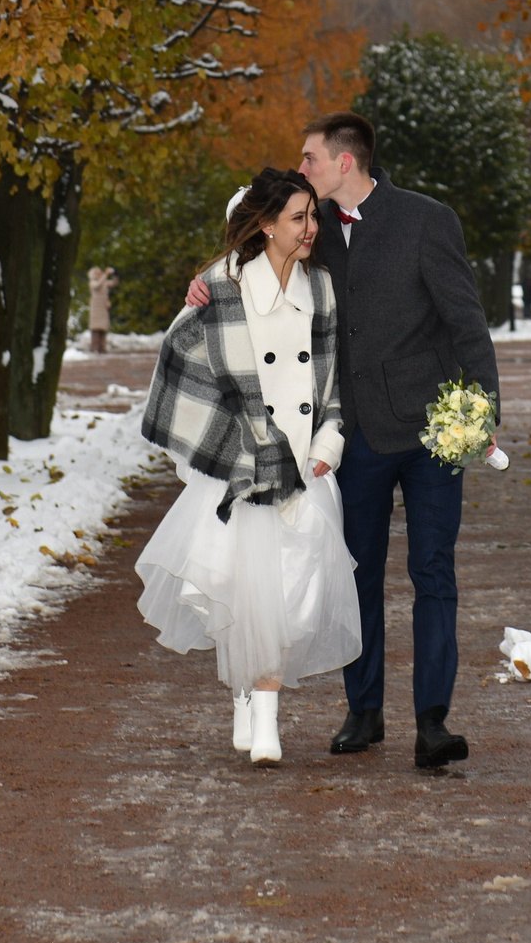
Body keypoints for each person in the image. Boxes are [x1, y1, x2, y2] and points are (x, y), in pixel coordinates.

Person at [195, 111, 500, 769]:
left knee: (433, 571)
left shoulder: (427, 219)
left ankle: (432, 720)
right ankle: (363, 709)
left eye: (309, 158)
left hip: (430, 433)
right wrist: (207, 279)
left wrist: (481, 412)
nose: (300, 168)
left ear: (345, 162)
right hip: (350, 434)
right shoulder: (313, 228)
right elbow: (257, 257)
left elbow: (467, 322)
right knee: (354, 571)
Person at [135, 169, 360, 765]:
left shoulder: (324, 290)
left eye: (314, 216)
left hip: (307, 469)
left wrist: (326, 447)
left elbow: (333, 384)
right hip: (243, 468)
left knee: (294, 601)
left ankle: (256, 702)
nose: (311, 228)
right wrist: (220, 444)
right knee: (247, 594)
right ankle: (259, 712)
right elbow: (181, 360)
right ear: (265, 225)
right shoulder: (220, 287)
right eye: (299, 218)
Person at [86, 265, 117, 354]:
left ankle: (102, 348)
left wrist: (115, 275)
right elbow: (97, 285)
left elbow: (113, 283)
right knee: (96, 329)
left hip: (103, 308)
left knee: (103, 329)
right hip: (96, 309)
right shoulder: (93, 282)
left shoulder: (104, 282)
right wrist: (105, 274)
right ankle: (94, 347)